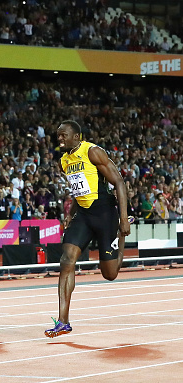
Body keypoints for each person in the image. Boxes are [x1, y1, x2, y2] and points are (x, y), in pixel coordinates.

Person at [45, 120, 130, 338]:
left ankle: (119, 238)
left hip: (105, 213)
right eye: (58, 135)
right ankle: (63, 321)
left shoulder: (92, 151)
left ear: (77, 136)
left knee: (109, 274)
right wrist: (70, 214)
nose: (60, 139)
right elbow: (78, 190)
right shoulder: (65, 160)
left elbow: (119, 182)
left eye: (64, 135)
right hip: (83, 214)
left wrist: (123, 220)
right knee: (66, 260)